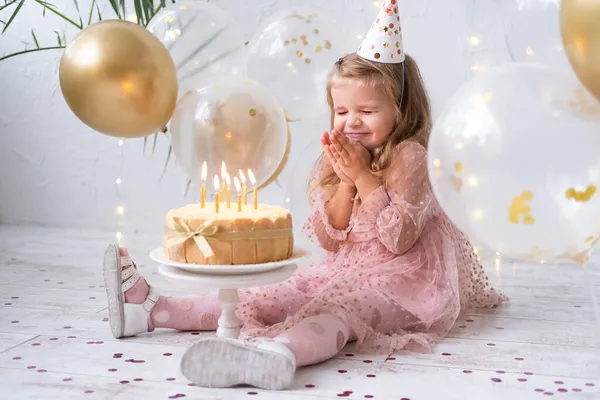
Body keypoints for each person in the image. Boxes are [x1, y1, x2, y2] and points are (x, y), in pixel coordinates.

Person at [102, 0, 507, 391]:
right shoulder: (339, 157)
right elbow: (330, 240)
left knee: (341, 312)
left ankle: (278, 354)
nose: (352, 122)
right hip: (350, 266)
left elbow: (398, 241)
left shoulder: (409, 156)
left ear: (402, 109)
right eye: (342, 110)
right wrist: (347, 181)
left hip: (407, 282)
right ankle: (151, 311)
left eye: (367, 110)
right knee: (273, 295)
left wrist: (364, 176)